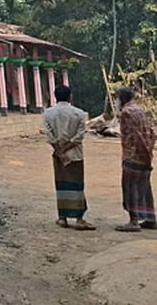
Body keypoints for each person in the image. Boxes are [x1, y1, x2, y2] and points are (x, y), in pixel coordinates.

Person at [43, 85, 95, 230]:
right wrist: (67, 147)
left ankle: (62, 217)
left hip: (59, 155)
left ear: (55, 97)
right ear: (70, 96)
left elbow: (49, 135)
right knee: (77, 185)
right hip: (75, 155)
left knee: (61, 184)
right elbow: (79, 136)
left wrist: (59, 150)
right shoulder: (79, 114)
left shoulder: (48, 113)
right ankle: (79, 219)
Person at [114, 87, 156, 232]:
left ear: (122, 98)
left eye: (117, 98)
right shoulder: (140, 110)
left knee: (130, 188)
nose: (116, 101)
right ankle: (150, 218)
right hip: (146, 155)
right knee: (144, 188)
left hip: (133, 155)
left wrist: (139, 152)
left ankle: (134, 221)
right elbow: (152, 132)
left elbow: (134, 135)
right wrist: (148, 152)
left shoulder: (126, 113)